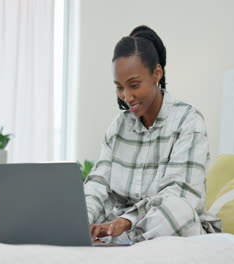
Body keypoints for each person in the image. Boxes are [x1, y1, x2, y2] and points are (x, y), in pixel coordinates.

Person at [84, 25, 221, 244]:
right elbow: (98, 184)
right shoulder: (117, 128)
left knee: (177, 213)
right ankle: (117, 239)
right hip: (119, 226)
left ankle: (123, 239)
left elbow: (180, 194)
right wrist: (84, 219)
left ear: (157, 73)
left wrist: (127, 221)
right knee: (84, 208)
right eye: (119, 87)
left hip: (165, 221)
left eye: (134, 85)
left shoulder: (189, 121)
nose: (126, 97)